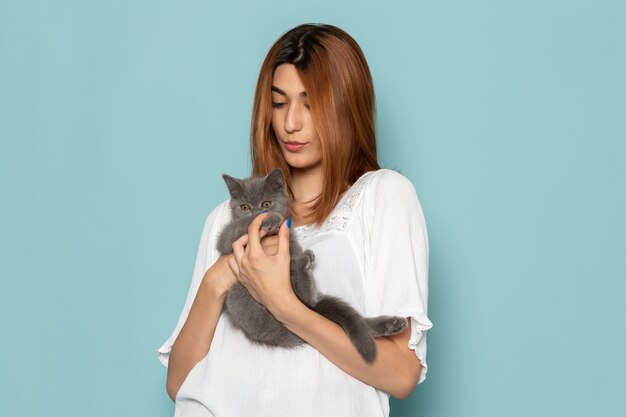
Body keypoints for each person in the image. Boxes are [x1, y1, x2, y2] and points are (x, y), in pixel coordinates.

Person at [156, 23, 433, 417]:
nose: (291, 124)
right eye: (280, 102)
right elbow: (179, 382)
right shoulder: (227, 217)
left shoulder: (383, 196)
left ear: (346, 105)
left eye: (311, 103)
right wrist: (219, 276)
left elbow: (401, 373)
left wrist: (285, 305)